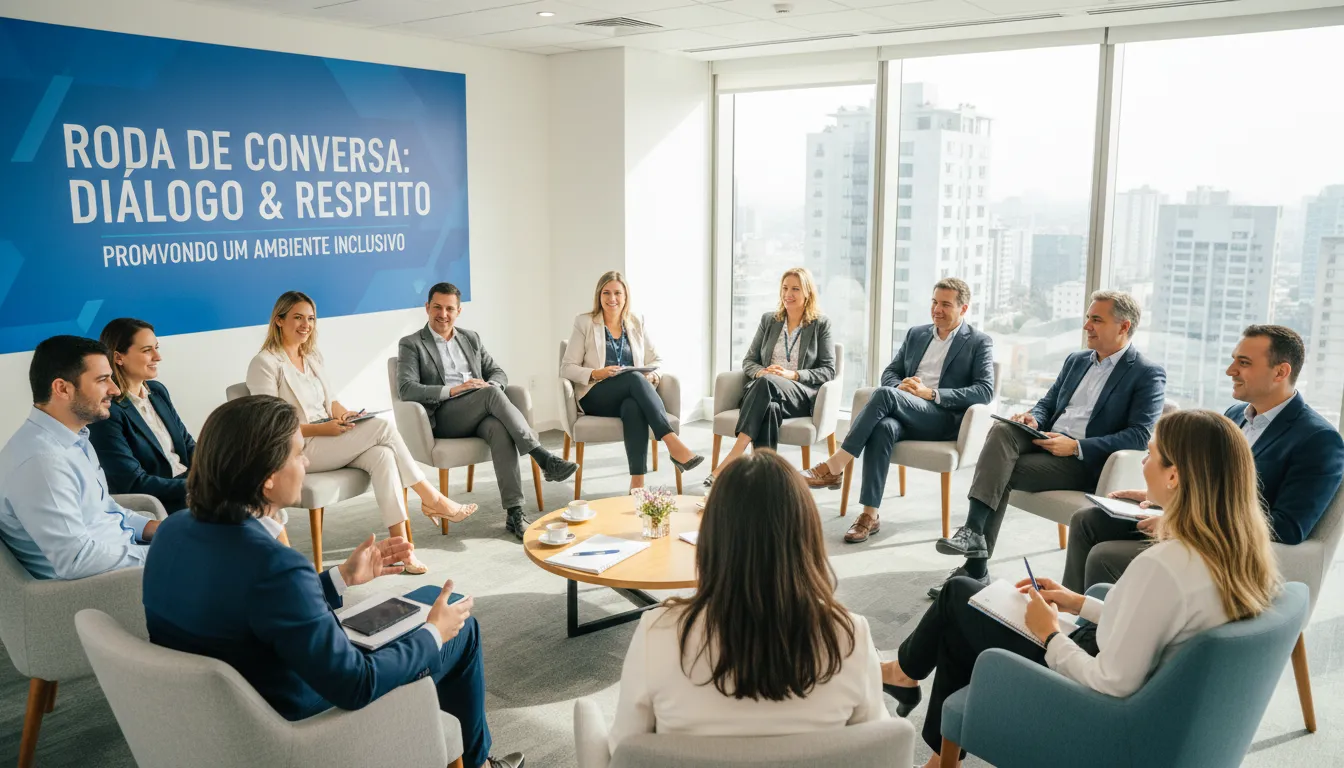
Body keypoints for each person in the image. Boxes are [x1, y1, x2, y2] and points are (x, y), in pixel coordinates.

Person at [881, 409, 1279, 768]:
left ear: (1174, 476)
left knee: (959, 597)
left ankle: (910, 684)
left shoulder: (1164, 566)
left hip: (1087, 698)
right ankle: (933, 734)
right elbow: (1156, 627)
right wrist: (1079, 603)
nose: (1143, 464)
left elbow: (1112, 681)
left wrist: (1050, 633)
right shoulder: (1239, 557)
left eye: (1150, 455)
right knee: (971, 606)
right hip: (1132, 679)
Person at [141, 395, 523, 768]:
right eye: (297, 454)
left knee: (427, 597)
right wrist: (434, 634)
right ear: (268, 479)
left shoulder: (172, 530)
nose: (306, 462)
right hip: (300, 712)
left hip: (234, 705)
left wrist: (340, 578)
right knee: (460, 626)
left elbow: (251, 606)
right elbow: (357, 685)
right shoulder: (275, 565)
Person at [609, 449, 886, 747]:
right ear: (807, 536)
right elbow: (881, 749)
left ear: (712, 537)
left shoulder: (659, 632)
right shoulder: (848, 636)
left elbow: (622, 752)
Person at [1063, 324, 1344, 592]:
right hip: (1195, 526)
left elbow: (1287, 527)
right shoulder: (1235, 415)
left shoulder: (1318, 440)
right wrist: (1168, 497)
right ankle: (1066, 610)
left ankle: (1094, 623)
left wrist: (1184, 523)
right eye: (1233, 360)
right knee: (1089, 521)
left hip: (1226, 549)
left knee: (1105, 556)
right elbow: (1209, 484)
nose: (1230, 371)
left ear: (1281, 371)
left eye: (1244, 363)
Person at [928, 291, 1166, 598]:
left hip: (1084, 462)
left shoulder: (1146, 373)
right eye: (1087, 318)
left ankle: (975, 568)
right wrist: (1034, 419)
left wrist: (1076, 446)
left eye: (1096, 320)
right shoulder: (1077, 360)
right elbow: (1048, 403)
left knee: (1000, 471)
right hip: (1046, 441)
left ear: (1124, 326)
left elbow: (1139, 435)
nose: (1086, 326)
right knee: (1003, 429)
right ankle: (973, 532)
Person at [247, 291, 473, 575]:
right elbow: (268, 425)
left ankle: (402, 549)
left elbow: (330, 402)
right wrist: (322, 428)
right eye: (298, 318)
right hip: (296, 448)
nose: (306, 325)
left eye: (311, 319)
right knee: (383, 427)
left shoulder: (312, 357)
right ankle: (432, 498)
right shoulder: (265, 363)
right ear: (279, 320)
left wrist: (345, 414)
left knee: (382, 455)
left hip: (327, 437)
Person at [802, 278, 994, 544]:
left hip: (942, 418)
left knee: (883, 395)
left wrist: (931, 394)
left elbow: (984, 390)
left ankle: (835, 465)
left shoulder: (978, 341)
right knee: (883, 427)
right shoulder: (917, 334)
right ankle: (869, 515)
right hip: (907, 409)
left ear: (963, 309)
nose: (937, 309)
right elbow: (890, 372)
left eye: (945, 304)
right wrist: (900, 387)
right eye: (934, 302)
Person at [398, 282, 577, 540]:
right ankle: (542, 457)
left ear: (458, 311)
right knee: (491, 395)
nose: (443, 314)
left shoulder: (470, 338)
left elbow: (497, 372)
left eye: (449, 308)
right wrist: (454, 390)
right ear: (427, 307)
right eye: (437, 307)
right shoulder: (412, 343)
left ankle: (515, 513)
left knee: (498, 427)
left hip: (480, 408)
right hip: (445, 415)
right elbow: (406, 388)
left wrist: (489, 384)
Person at [0, 335, 160, 579]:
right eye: (102, 380)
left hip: (121, 561)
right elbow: (77, 560)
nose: (115, 390)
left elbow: (105, 512)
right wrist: (163, 552)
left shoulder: (75, 438)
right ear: (62, 388)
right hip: (104, 587)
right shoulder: (42, 462)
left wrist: (159, 530)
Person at [561, 271, 704, 491]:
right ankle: (672, 443)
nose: (612, 298)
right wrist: (597, 373)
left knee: (633, 405)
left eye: (618, 293)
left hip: (629, 393)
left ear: (626, 296)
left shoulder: (636, 322)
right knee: (634, 378)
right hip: (595, 395)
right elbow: (567, 367)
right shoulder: (585, 322)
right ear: (599, 295)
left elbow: (657, 360)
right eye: (606, 293)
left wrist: (653, 375)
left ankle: (637, 484)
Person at [707, 267, 835, 486]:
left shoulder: (820, 324)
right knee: (770, 407)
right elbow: (749, 361)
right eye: (785, 288)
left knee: (767, 384)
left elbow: (828, 370)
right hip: (762, 392)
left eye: (795, 289)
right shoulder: (769, 320)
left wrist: (792, 374)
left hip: (797, 396)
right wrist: (761, 372)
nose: (788, 294)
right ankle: (764, 482)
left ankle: (734, 455)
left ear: (808, 293)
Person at [87, 318, 196, 513]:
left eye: (156, 348)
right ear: (119, 357)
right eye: (147, 350)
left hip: (192, 487)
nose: (158, 357)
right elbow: (133, 482)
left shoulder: (157, 392)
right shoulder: (107, 412)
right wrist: (199, 487)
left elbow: (188, 446)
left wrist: (217, 471)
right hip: (164, 502)